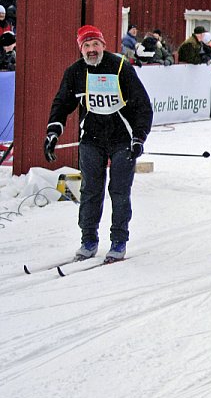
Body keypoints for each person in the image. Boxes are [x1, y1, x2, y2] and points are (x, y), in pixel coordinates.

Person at [44, 25, 153, 262]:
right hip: (91, 138)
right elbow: (62, 104)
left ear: (104, 45)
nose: (91, 50)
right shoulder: (75, 72)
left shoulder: (120, 67)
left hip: (121, 138)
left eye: (95, 44)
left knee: (119, 191)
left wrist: (139, 137)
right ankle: (88, 239)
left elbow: (142, 105)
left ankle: (118, 241)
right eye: (86, 45)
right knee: (90, 190)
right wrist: (53, 133)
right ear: (80, 48)